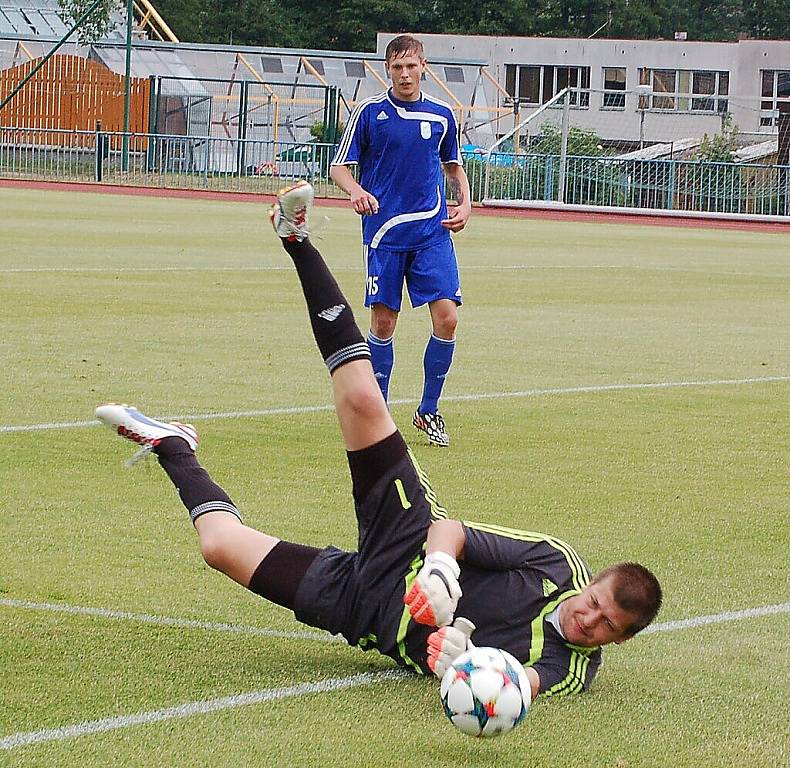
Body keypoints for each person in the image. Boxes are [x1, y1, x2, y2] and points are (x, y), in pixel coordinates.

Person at [96, 182, 662, 702]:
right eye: (595, 603)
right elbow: (453, 531)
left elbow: (517, 684)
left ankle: (173, 446)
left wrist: (462, 663)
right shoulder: (556, 565)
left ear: (622, 640)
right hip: (408, 537)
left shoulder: (571, 669)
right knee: (364, 399)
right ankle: (298, 240)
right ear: (595, 583)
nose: (590, 620)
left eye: (608, 625)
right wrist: (440, 569)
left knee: (218, 546)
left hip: (366, 608)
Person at [329, 34, 472, 448]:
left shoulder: (443, 114)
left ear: (424, 66)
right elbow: (340, 167)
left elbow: (454, 167)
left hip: (432, 232)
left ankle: (429, 410)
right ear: (387, 69)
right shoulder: (370, 114)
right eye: (397, 67)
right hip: (386, 234)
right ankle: (380, 416)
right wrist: (355, 191)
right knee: (383, 323)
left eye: (412, 66)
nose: (405, 74)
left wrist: (465, 203)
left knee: (447, 318)